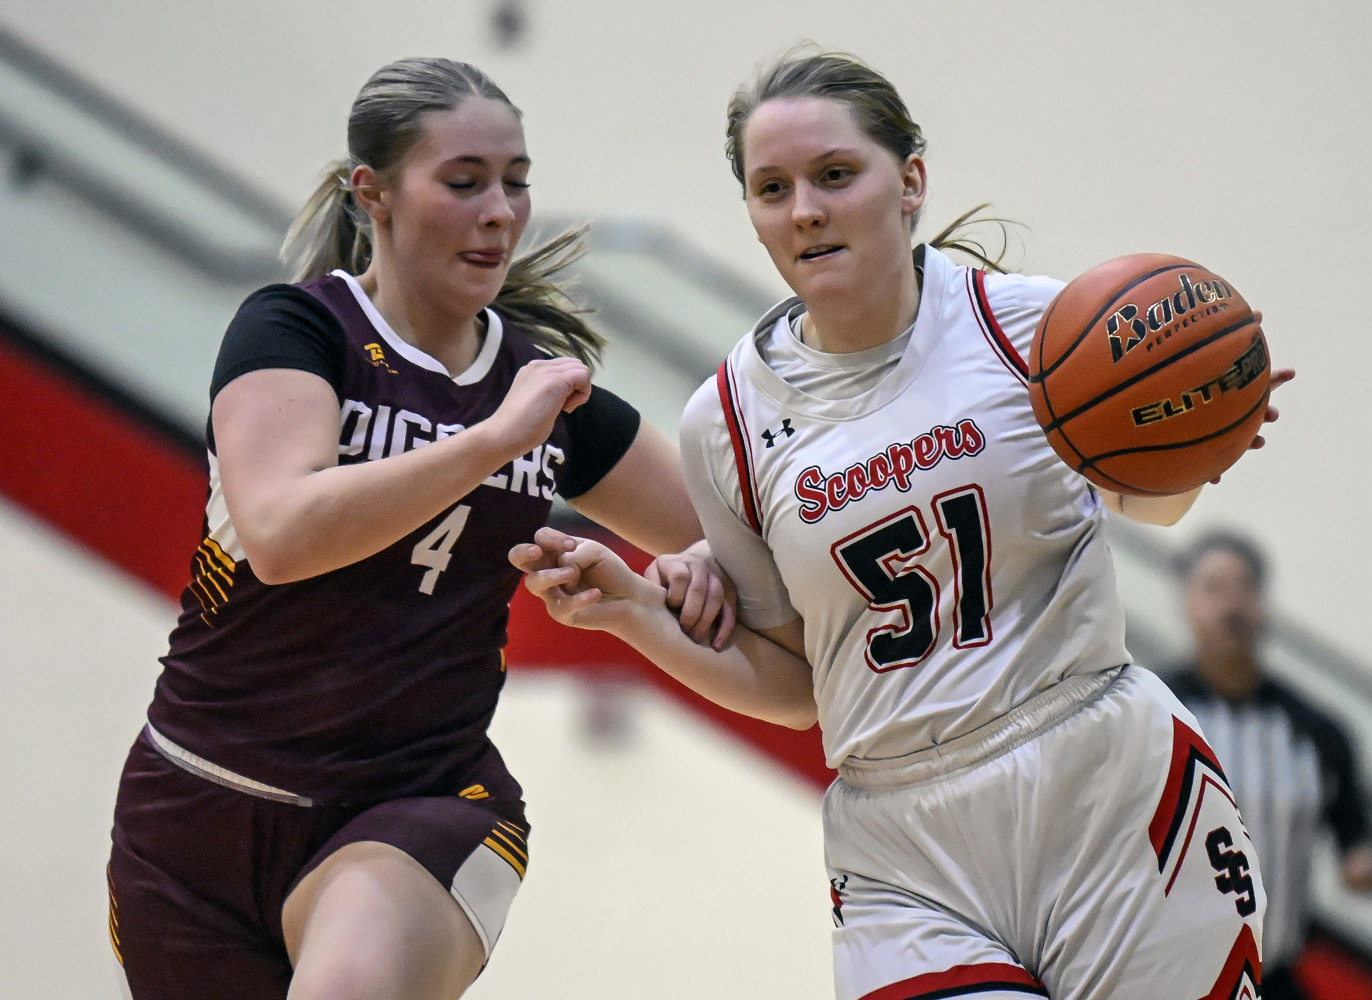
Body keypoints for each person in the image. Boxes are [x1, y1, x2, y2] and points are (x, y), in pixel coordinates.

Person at [512, 46, 1298, 1000]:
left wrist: (1197, 438)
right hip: (902, 843)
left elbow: (1151, 502)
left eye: (835, 175)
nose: (804, 208)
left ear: (910, 180)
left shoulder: (1035, 329)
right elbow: (798, 686)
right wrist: (638, 612)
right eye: (772, 188)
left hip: (1104, 783)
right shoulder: (724, 420)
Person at [105, 56, 731, 1000]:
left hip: (421, 801)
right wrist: (490, 442)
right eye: (465, 182)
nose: (500, 212)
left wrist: (697, 570)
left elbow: (737, 535)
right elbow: (279, 533)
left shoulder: (544, 391)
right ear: (376, 193)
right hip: (196, 810)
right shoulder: (295, 329)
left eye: (516, 183)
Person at [1163, 530, 1372, 1000]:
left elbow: (1359, 841)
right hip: (1169, 978)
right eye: (1213, 588)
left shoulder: (1316, 730)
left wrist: (1366, 863)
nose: (1232, 605)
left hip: (1275, 976)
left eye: (1243, 587)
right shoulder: (1152, 717)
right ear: (1186, 605)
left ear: (1263, 604)